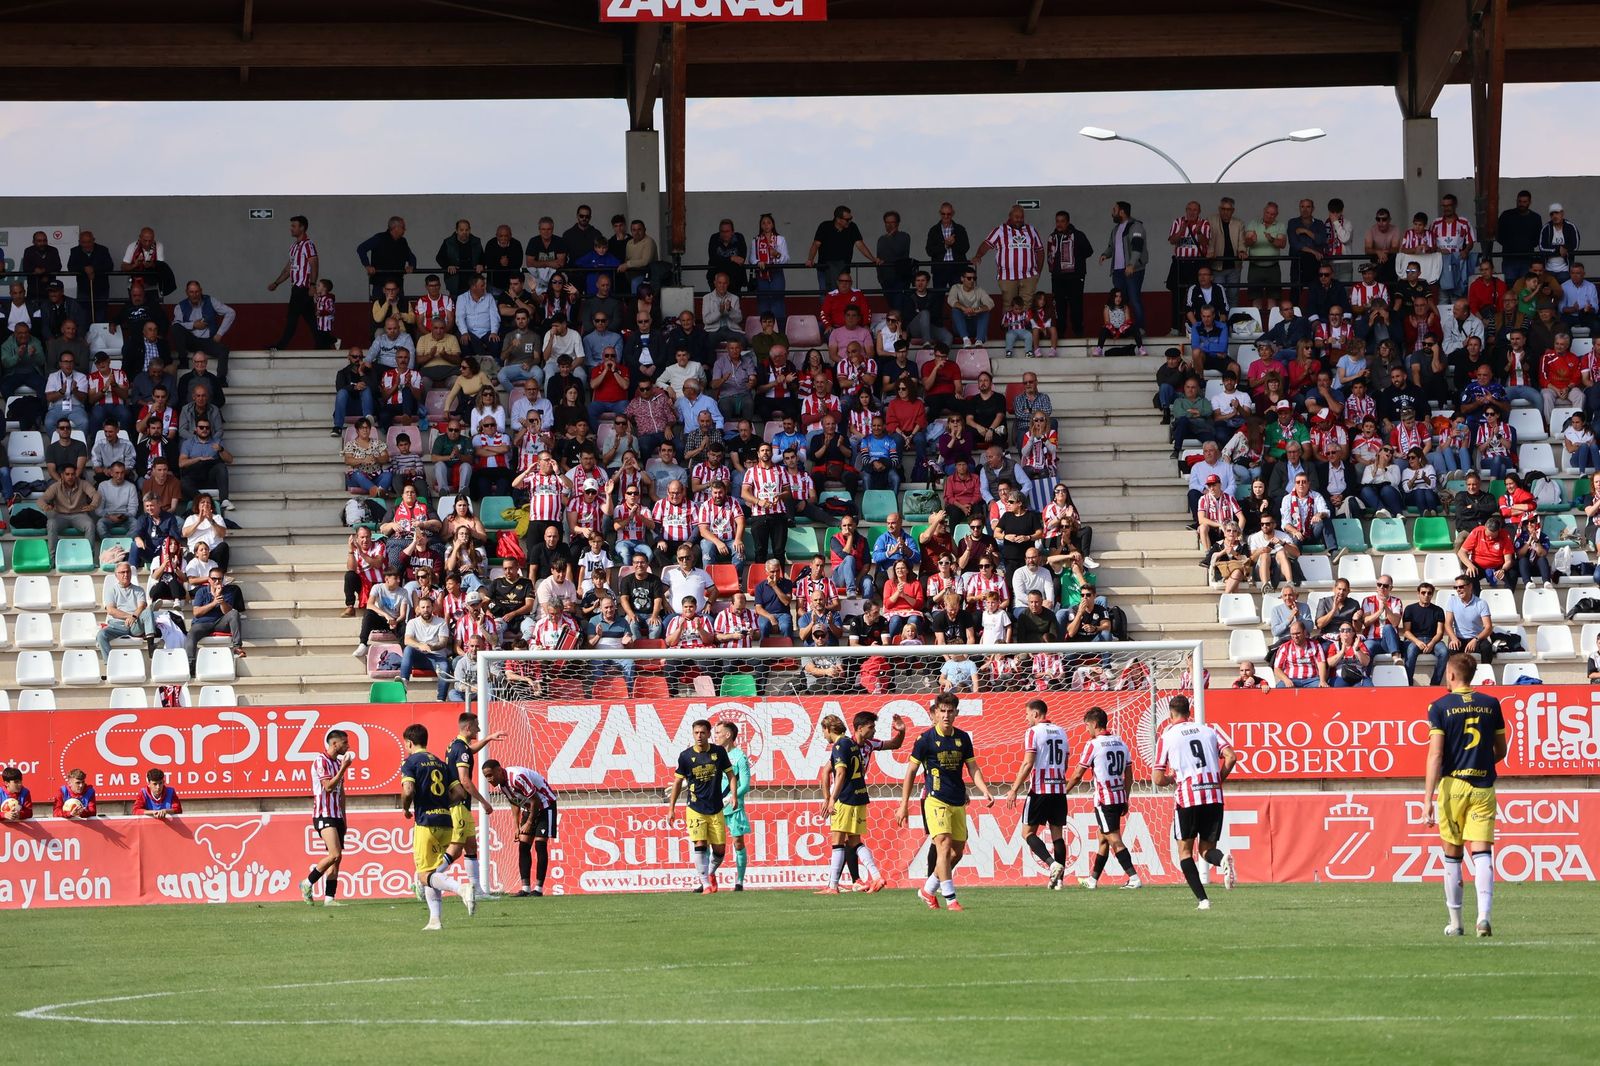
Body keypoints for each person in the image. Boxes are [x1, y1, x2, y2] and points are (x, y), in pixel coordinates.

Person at [1423, 653, 1508, 937]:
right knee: (1482, 852)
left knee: (1453, 855)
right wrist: (1480, 763)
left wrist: (1427, 800)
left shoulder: (1439, 707)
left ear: (1451, 675)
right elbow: (1501, 751)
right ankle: (1483, 917)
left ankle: (1456, 923)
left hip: (1453, 786)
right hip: (1483, 786)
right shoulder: (1491, 704)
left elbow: (1435, 755)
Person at [895, 692, 996, 912]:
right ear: (934, 714)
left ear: (957, 713)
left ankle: (928, 889)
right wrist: (904, 804)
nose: (946, 715)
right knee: (944, 845)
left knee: (956, 853)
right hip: (935, 800)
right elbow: (911, 771)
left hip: (958, 800)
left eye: (950, 711)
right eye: (942, 711)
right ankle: (951, 899)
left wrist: (985, 790)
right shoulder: (925, 740)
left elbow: (973, 768)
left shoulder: (963, 738)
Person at [1153, 695, 1238, 910]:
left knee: (1184, 852)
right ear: (1189, 712)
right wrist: (1217, 780)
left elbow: (1157, 778)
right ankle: (1222, 861)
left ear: (1171, 714)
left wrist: (1172, 778)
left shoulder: (1168, 736)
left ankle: (1203, 900)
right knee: (1207, 850)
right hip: (1213, 796)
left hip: (1188, 798)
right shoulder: (1209, 730)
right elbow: (1231, 757)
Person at [399, 723, 476, 931]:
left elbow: (407, 790)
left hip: (426, 823)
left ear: (409, 742)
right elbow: (460, 793)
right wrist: (442, 805)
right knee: (433, 874)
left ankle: (461, 889)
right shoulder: (441, 763)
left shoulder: (410, 762)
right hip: (446, 822)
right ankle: (435, 920)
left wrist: (406, 809)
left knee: (423, 875)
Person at [1003, 698, 1074, 890]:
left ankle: (1052, 865)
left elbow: (1028, 763)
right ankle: (1059, 882)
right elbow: (1066, 763)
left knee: (1027, 833)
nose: (1026, 718)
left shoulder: (1033, 732)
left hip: (1040, 790)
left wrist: (1014, 789)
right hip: (1059, 790)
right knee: (1057, 835)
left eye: (1027, 714)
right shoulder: (1062, 732)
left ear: (1035, 714)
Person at [667, 718, 740, 894]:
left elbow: (731, 775)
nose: (699, 736)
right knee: (700, 844)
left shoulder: (719, 752)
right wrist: (671, 809)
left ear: (708, 734)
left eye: (702, 732)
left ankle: (708, 874)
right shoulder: (686, 756)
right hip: (695, 807)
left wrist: (734, 795)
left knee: (720, 850)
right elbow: (677, 783)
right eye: (696, 733)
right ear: (693, 734)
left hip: (715, 808)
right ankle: (706, 884)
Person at [483, 760, 558, 897]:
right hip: (529, 808)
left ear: (499, 770)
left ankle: (538, 889)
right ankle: (525, 888)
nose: (489, 779)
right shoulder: (502, 786)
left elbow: (536, 800)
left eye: (490, 775)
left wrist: (529, 823)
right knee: (523, 846)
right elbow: (515, 803)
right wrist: (516, 826)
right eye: (486, 777)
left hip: (546, 804)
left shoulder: (517, 777)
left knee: (540, 846)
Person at [299, 730, 355, 908]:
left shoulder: (337, 762)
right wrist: (344, 768)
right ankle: (307, 883)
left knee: (338, 858)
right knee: (334, 854)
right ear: (334, 744)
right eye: (344, 743)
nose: (348, 746)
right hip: (324, 814)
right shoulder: (320, 761)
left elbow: (341, 792)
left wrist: (344, 817)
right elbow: (329, 787)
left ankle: (329, 898)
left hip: (336, 815)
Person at [268, 215, 320, 350]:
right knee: (311, 320)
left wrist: (313, 285)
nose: (291, 229)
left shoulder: (308, 245)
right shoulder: (293, 247)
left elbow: (314, 264)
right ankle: (327, 341)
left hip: (302, 288)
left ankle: (280, 346)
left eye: (294, 226)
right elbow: (288, 269)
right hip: (296, 288)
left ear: (302, 228)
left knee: (292, 318)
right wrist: (276, 283)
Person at [714, 721, 754, 892]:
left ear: (728, 735)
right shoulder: (714, 755)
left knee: (738, 842)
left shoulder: (740, 757)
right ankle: (707, 879)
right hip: (714, 806)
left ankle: (739, 882)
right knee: (712, 844)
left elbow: (745, 785)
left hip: (733, 806)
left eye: (718, 733)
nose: (714, 736)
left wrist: (731, 797)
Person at [1099, 201, 1148, 331]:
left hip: (1134, 270)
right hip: (1118, 271)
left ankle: (1140, 328)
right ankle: (1122, 328)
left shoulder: (1136, 226)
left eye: (1114, 210)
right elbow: (1111, 247)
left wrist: (1131, 264)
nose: (1112, 213)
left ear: (1122, 212)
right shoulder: (1115, 229)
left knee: (1134, 298)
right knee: (1120, 300)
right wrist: (1105, 254)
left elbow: (1137, 246)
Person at [186, 566, 245, 673]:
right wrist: (214, 603)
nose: (217, 581)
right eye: (214, 579)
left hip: (220, 622)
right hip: (203, 623)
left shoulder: (228, 591)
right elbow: (196, 613)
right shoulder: (202, 592)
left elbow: (227, 612)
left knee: (234, 613)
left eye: (220, 579)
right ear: (209, 580)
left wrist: (221, 601)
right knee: (191, 633)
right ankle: (191, 663)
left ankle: (237, 647)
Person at [96, 560, 155, 662]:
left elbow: (141, 606)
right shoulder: (112, 590)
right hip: (117, 626)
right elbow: (111, 610)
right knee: (101, 635)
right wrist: (130, 616)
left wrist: (134, 617)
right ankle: (110, 663)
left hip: (135, 625)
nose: (126, 574)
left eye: (128, 572)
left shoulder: (139, 589)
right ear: (116, 575)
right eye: (122, 572)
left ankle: (151, 648)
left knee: (148, 611)